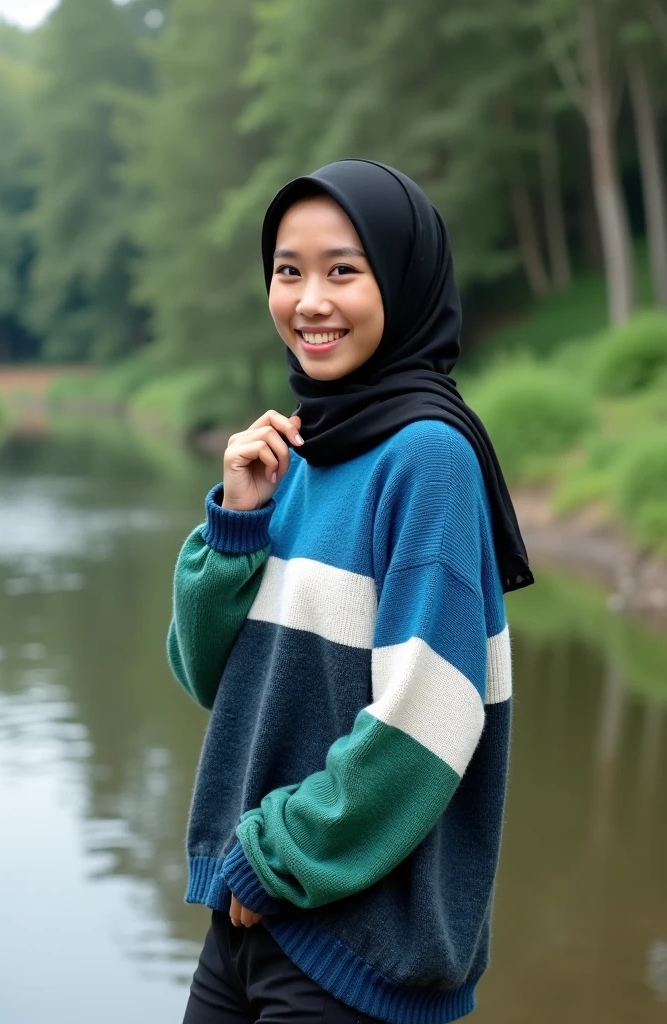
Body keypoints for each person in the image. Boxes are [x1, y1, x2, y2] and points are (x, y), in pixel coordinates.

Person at [168, 158, 534, 1024]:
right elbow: (204, 676)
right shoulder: (297, 451)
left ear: (402, 280)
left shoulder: (426, 459)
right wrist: (236, 527)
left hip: (357, 947)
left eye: (343, 269)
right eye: (287, 271)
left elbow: (432, 716)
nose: (309, 300)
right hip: (250, 919)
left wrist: (273, 858)